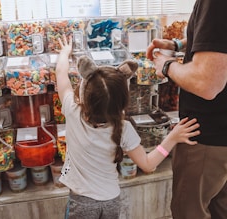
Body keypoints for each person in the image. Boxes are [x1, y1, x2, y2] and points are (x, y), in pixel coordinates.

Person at [55, 34, 200, 219]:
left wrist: (65, 52)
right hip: (111, 200)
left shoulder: (72, 110)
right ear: (123, 102)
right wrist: (172, 138)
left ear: (84, 93)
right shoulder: (123, 129)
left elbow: (61, 74)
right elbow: (148, 165)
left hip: (81, 201)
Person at [146, 1, 227, 218]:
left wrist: (166, 65)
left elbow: (207, 84)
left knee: (189, 211)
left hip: (204, 137)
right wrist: (178, 45)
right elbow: (217, 42)